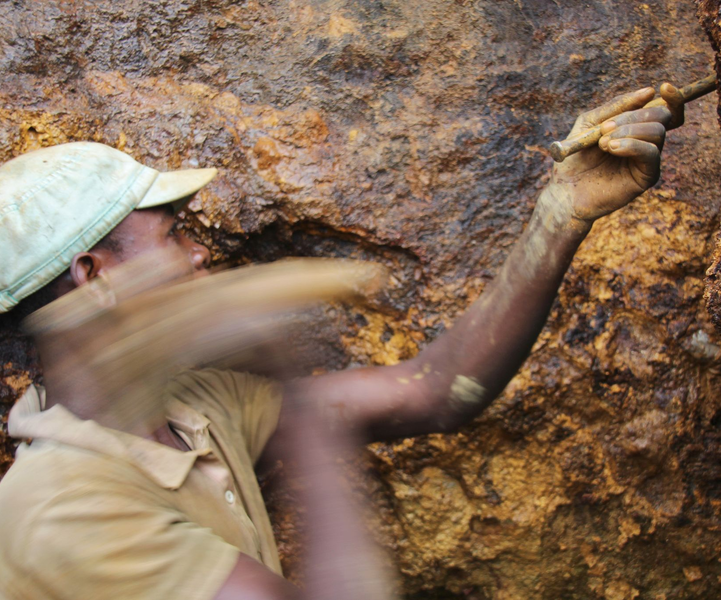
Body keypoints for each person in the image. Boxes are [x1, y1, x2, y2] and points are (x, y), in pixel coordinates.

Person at [0, 85, 683, 600]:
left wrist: (558, 213)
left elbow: (436, 393)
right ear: (96, 277)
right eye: (174, 233)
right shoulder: (63, 508)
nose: (200, 255)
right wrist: (277, 362)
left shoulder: (188, 410)